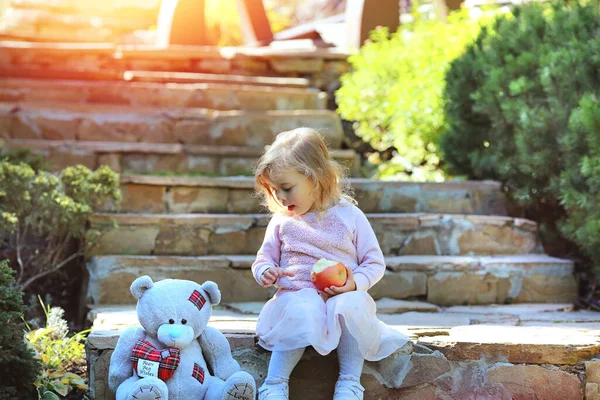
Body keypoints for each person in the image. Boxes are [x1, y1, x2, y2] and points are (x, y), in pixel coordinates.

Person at [251, 128, 412, 400]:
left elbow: (373, 262)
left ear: (315, 178)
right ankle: (275, 383)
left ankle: (350, 383)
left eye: (287, 188)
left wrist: (355, 284)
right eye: (274, 190)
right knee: (302, 306)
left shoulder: (349, 215)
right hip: (297, 299)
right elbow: (263, 258)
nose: (280, 197)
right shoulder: (281, 222)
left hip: (341, 297)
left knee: (350, 306)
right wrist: (266, 272)